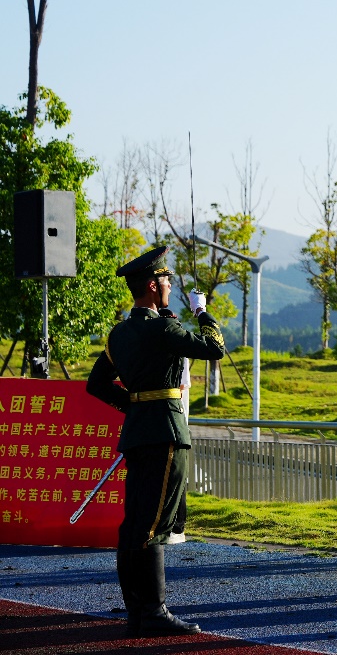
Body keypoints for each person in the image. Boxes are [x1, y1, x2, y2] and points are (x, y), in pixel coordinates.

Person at [86, 247, 226, 636]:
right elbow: (214, 347)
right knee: (152, 527)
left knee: (134, 524)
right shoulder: (163, 329)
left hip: (137, 433)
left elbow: (96, 384)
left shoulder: (120, 333)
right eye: (166, 280)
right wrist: (202, 312)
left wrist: (133, 405)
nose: (169, 286)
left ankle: (137, 611)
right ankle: (154, 613)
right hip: (165, 432)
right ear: (152, 285)